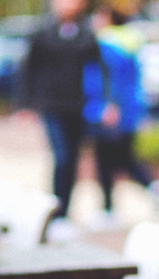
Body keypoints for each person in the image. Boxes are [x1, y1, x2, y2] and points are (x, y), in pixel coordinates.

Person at [15, 0, 108, 240]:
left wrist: (107, 102)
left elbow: (100, 69)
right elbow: (28, 69)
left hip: (77, 106)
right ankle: (55, 214)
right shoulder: (41, 32)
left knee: (74, 159)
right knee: (62, 157)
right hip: (51, 105)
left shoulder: (86, 33)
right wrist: (24, 105)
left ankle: (65, 213)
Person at [82, 6, 159, 231]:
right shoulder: (132, 42)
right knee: (126, 158)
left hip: (109, 112)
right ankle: (153, 187)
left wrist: (107, 107)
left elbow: (105, 79)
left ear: (108, 18)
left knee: (105, 162)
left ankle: (108, 210)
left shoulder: (106, 45)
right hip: (130, 111)